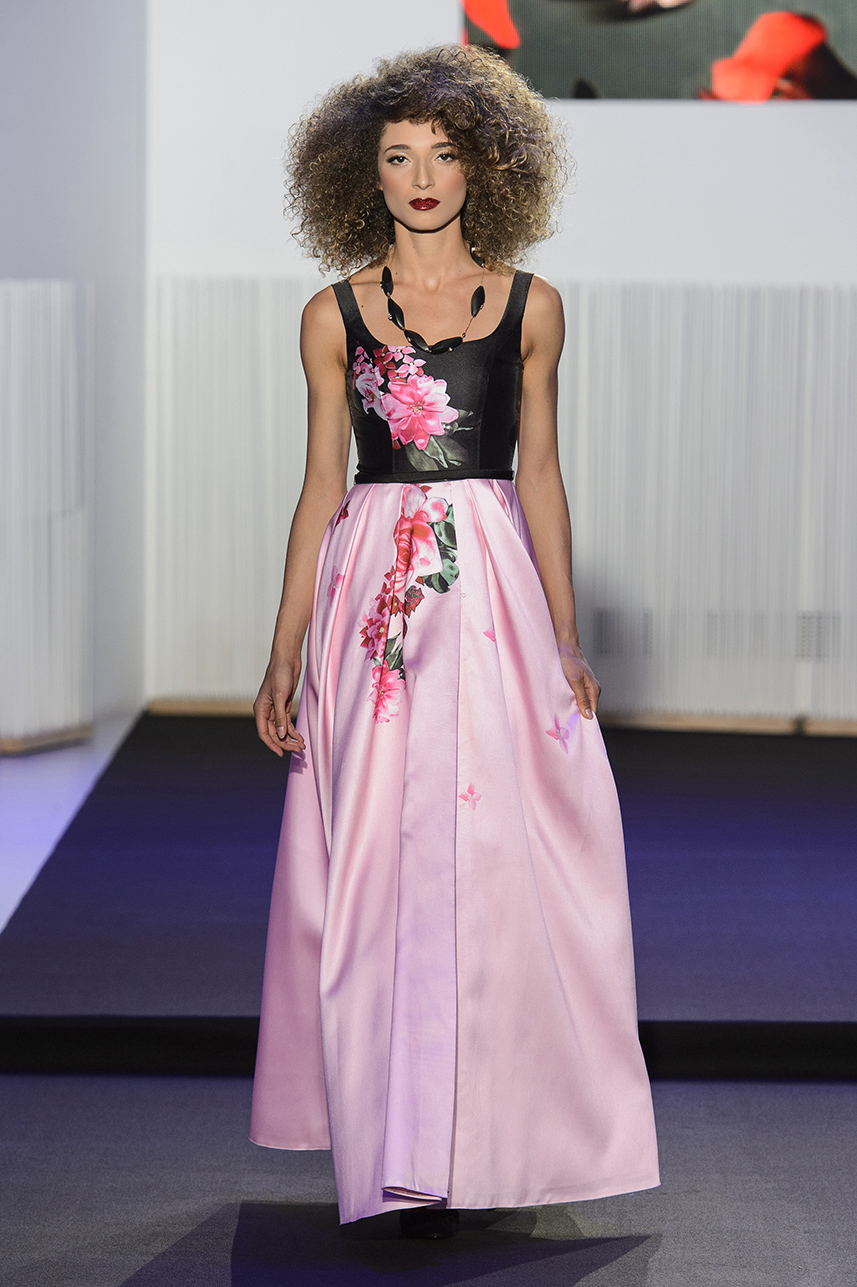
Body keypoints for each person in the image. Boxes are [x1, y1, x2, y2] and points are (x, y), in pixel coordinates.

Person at [249, 44, 659, 1239]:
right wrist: (282, 649)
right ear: (363, 174)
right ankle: (397, 1144)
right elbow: (320, 483)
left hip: (487, 587)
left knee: (495, 849)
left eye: (443, 154)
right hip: (374, 597)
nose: (422, 177)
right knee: (376, 858)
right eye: (397, 156)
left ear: (484, 167)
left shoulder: (533, 306)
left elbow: (541, 475)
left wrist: (566, 635)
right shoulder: (330, 315)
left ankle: (484, 1137)